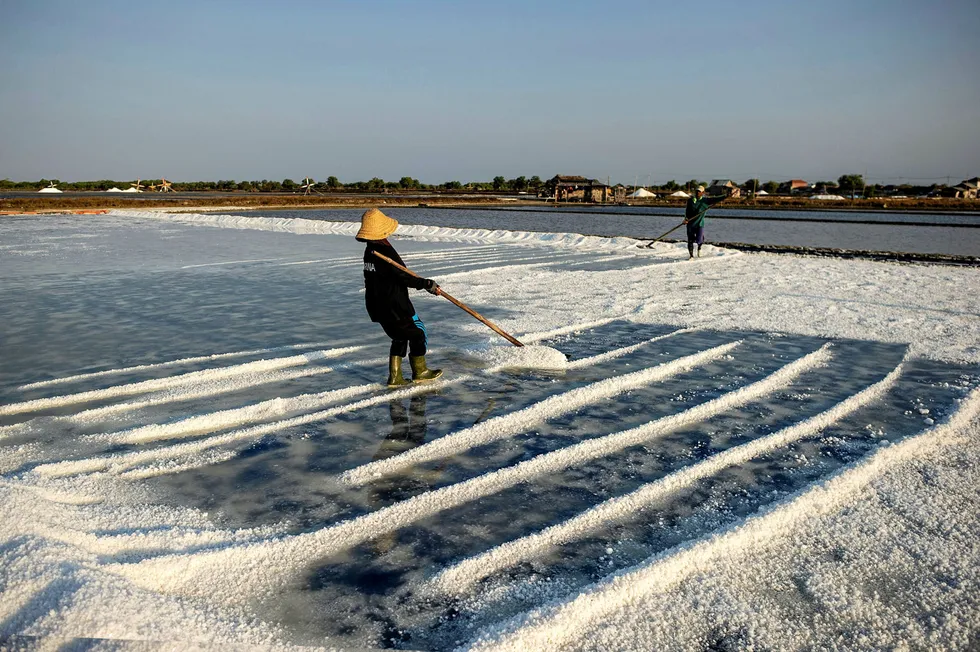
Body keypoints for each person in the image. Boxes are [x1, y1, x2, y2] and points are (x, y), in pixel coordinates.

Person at [356, 208, 443, 387]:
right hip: (395, 306)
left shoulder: (370, 251)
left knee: (399, 337)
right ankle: (420, 371)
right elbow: (403, 276)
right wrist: (427, 284)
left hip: (376, 306)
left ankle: (395, 377)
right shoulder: (385, 253)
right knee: (419, 333)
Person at [683, 185, 727, 259]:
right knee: (690, 240)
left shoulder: (705, 201)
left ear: (703, 193)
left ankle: (699, 247)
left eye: (699, 191)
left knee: (699, 240)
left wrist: (725, 196)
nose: (697, 193)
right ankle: (691, 256)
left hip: (699, 223)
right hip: (690, 223)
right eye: (696, 191)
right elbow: (687, 211)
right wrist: (686, 219)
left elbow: (716, 199)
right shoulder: (691, 201)